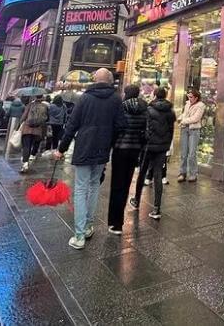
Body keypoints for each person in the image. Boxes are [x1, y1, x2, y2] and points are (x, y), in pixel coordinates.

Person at [54, 68, 126, 249]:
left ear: (95, 79)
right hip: (103, 149)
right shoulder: (116, 99)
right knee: (94, 186)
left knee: (80, 188)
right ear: (110, 81)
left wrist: (61, 149)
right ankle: (87, 226)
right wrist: (109, 141)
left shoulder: (85, 98)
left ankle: (79, 235)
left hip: (84, 147)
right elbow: (121, 126)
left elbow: (72, 125)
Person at [107, 84, 147, 235]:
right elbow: (145, 130)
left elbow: (116, 128)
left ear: (126, 93)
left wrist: (111, 145)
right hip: (135, 150)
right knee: (126, 184)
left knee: (117, 185)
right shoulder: (144, 108)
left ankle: (115, 222)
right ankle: (119, 222)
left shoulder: (121, 107)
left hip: (120, 149)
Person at [132, 87, 175, 220]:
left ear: (155, 95)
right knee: (158, 175)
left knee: (142, 173)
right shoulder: (170, 111)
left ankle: (136, 200)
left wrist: (143, 143)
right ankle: (156, 208)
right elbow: (171, 131)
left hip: (148, 146)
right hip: (162, 147)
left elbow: (144, 129)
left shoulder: (148, 110)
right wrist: (167, 145)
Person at [176, 88, 205, 183]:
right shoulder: (187, 103)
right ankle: (182, 173)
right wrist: (180, 118)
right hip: (184, 129)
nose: (189, 98)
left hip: (194, 130)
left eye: (191, 97)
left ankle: (193, 174)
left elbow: (196, 118)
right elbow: (185, 114)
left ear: (196, 98)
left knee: (192, 153)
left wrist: (183, 121)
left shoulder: (201, 105)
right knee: (183, 153)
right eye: (188, 96)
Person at [19, 94, 49, 172]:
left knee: (26, 146)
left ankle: (25, 163)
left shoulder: (30, 105)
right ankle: (29, 157)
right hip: (37, 130)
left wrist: (19, 124)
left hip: (27, 129)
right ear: (42, 97)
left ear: (35, 97)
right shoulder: (45, 106)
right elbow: (46, 119)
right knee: (32, 145)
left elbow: (24, 116)